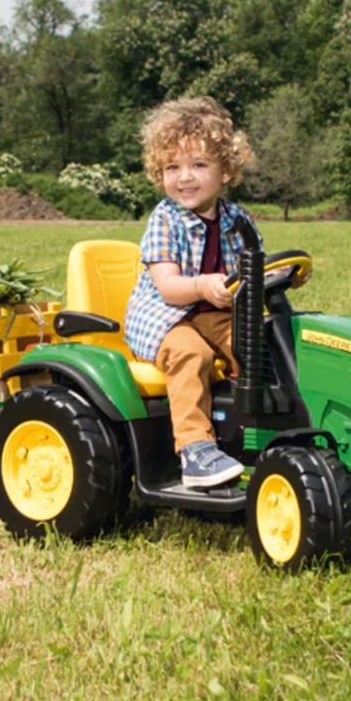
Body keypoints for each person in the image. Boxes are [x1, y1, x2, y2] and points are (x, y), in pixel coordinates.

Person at [124, 96, 257, 488]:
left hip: (212, 312)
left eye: (198, 165)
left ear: (226, 170)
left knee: (259, 342)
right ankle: (196, 451)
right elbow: (167, 287)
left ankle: (267, 423)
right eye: (173, 167)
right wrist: (201, 284)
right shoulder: (165, 218)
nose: (185, 177)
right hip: (164, 317)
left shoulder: (238, 219)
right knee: (191, 353)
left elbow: (255, 265)